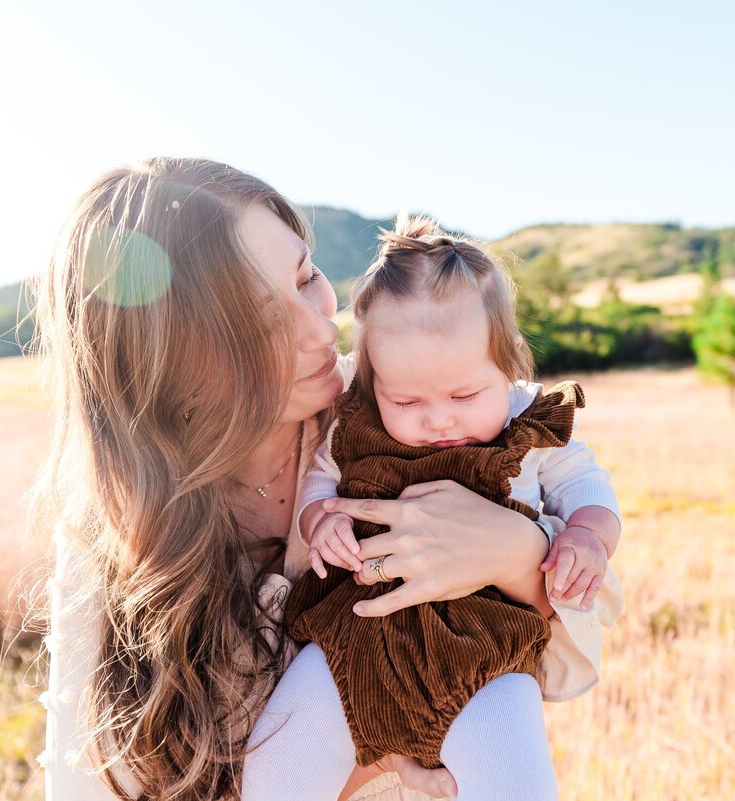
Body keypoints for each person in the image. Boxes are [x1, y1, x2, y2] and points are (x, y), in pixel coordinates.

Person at [31, 158, 622, 801]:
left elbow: (577, 636)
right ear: (170, 365)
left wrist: (519, 552)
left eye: (306, 275)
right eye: (258, 322)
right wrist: (374, 756)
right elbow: (90, 786)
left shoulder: (397, 398)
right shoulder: (114, 537)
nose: (321, 327)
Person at [241, 217, 624, 801]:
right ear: (374, 383)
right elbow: (323, 483)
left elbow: (588, 486)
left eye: (467, 395)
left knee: (514, 780)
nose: (439, 418)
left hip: (485, 654)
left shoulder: (530, 425)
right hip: (355, 642)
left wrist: (588, 538)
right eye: (407, 400)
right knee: (277, 766)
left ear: (510, 365)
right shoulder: (355, 425)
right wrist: (325, 522)